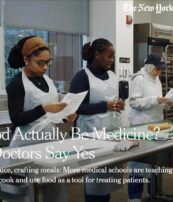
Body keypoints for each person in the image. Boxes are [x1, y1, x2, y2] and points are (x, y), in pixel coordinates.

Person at [6, 36, 77, 202]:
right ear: (26, 60)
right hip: (24, 148)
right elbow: (16, 119)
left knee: (55, 190)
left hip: (48, 144)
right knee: (26, 195)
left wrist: (65, 117)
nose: (45, 67)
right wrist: (43, 108)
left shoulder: (48, 81)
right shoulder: (16, 84)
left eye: (48, 62)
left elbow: (51, 114)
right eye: (40, 63)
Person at [69, 38, 125, 202]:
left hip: (112, 132)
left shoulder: (113, 76)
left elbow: (115, 99)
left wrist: (118, 104)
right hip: (91, 136)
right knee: (95, 180)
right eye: (110, 56)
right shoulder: (82, 77)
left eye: (113, 57)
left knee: (107, 180)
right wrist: (105, 106)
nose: (112, 60)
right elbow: (76, 108)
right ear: (97, 55)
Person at [127, 54, 172, 202]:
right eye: (157, 69)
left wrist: (166, 103)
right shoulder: (139, 78)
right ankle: (134, 197)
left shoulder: (156, 78)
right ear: (149, 66)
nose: (159, 72)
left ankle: (153, 192)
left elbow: (155, 100)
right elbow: (133, 103)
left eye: (160, 70)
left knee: (156, 160)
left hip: (156, 124)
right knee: (139, 162)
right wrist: (154, 100)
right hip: (140, 125)